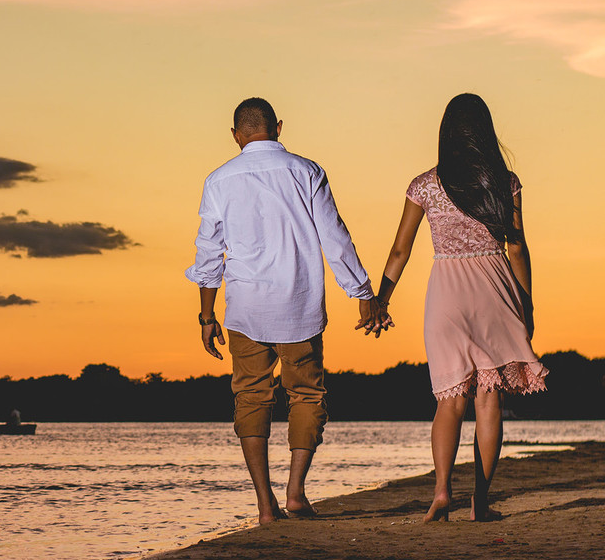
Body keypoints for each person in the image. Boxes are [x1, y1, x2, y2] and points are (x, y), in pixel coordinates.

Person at [187, 97, 380, 524]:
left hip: (246, 310)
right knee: (306, 395)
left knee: (251, 398)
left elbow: (207, 252)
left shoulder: (218, 180)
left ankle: (263, 504)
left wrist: (206, 315)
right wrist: (362, 293)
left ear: (236, 134)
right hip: (299, 306)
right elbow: (335, 237)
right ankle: (295, 493)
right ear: (278, 127)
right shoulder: (307, 171)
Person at [364, 93, 548, 522]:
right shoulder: (504, 182)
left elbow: (399, 251)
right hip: (494, 290)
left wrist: (379, 302)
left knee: (449, 400)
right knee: (489, 399)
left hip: (445, 293)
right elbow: (516, 248)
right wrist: (526, 302)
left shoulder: (425, 184)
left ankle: (442, 492)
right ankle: (480, 501)